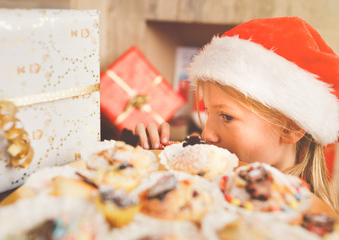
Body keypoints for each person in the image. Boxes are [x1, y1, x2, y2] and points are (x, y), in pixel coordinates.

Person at [135, 17, 339, 213]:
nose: (206, 134)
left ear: (290, 128)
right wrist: (153, 164)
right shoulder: (215, 182)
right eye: (208, 111)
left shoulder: (300, 218)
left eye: (226, 116)